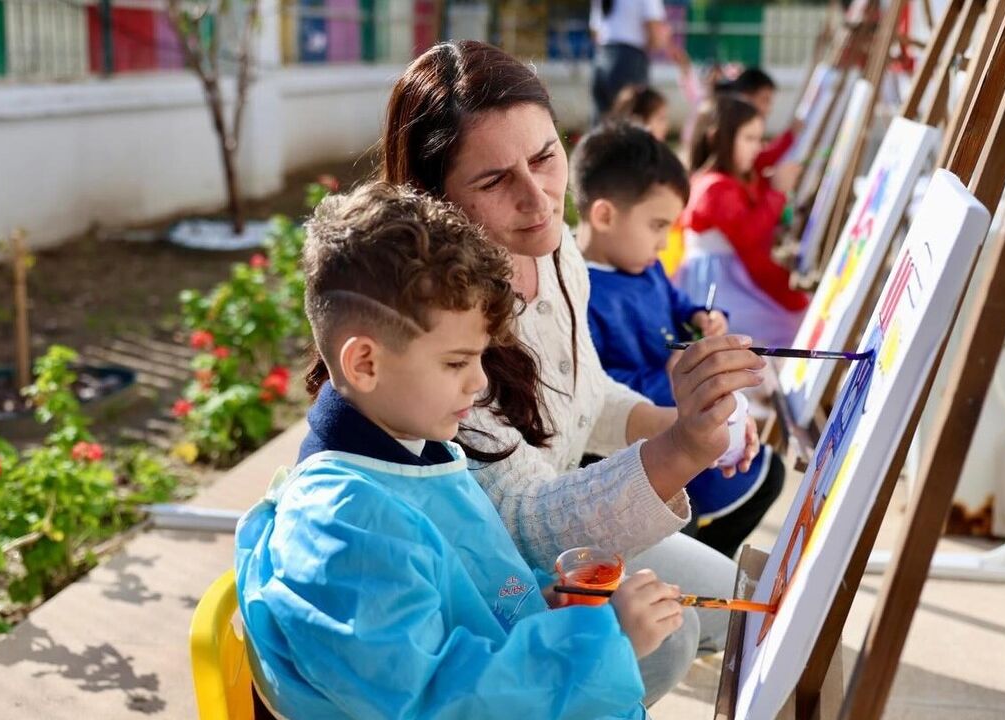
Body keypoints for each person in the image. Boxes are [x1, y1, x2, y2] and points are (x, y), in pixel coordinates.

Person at [309, 40, 768, 704]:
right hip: (499, 561)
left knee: (731, 603)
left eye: (546, 157)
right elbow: (524, 521)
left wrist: (685, 422)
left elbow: (586, 394)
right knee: (666, 638)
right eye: (494, 181)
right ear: (435, 199)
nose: (539, 199)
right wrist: (684, 448)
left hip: (544, 544)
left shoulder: (553, 250)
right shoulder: (437, 329)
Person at [236, 182, 685, 719]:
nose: (478, 383)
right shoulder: (341, 527)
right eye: (455, 362)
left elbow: (476, 598)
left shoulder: (412, 450)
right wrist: (593, 647)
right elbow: (437, 700)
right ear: (365, 364)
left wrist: (548, 607)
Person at [574, 122, 786, 557]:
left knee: (769, 473)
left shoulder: (645, 266)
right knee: (685, 527)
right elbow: (596, 387)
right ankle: (706, 565)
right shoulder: (581, 291)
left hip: (684, 419)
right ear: (604, 215)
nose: (663, 241)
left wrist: (702, 316)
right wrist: (667, 377)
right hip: (643, 447)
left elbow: (675, 301)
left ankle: (714, 560)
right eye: (656, 225)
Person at [677, 94, 810, 347]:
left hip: (723, 279)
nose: (758, 147)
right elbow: (749, 235)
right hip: (718, 287)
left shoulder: (719, 180)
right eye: (750, 139)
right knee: (779, 332)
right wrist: (777, 192)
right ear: (718, 139)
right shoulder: (714, 187)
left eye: (759, 139)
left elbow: (762, 161)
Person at [589, 0, 689, 125]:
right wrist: (666, 41)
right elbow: (655, 36)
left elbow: (595, 33)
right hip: (630, 61)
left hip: (601, 58)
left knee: (600, 127)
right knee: (631, 127)